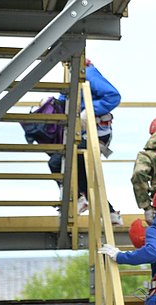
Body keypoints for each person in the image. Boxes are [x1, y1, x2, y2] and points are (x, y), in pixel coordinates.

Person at [56, 60, 122, 224]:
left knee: (74, 162)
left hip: (97, 132)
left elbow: (113, 96)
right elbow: (65, 100)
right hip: (83, 133)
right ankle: (108, 212)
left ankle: (83, 201)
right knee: (68, 165)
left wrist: (89, 109)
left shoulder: (88, 73)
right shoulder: (72, 76)